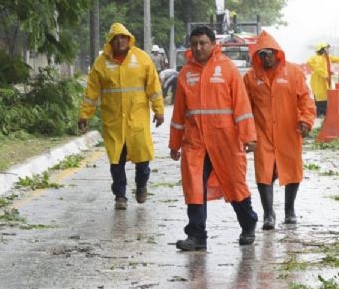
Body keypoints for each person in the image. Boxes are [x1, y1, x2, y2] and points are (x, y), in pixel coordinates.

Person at [169, 25, 258, 251]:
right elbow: (179, 113)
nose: (198, 48)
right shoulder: (186, 73)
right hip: (195, 142)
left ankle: (248, 223)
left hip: (225, 141)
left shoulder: (227, 69)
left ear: (213, 45)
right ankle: (197, 235)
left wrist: (249, 136)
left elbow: (242, 106)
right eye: (194, 44)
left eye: (203, 43)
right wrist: (174, 143)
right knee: (194, 187)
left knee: (235, 185)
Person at [79, 23, 164, 210]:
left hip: (137, 120)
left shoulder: (142, 59)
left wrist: (159, 110)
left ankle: (141, 186)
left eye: (123, 37)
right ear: (110, 41)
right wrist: (84, 115)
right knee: (116, 160)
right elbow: (91, 92)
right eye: (116, 38)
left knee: (142, 160)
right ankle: (120, 195)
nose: (120, 41)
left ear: (129, 39)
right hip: (114, 121)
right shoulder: (101, 63)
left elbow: (154, 87)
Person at [243, 31, 316, 229]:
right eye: (261, 54)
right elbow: (244, 108)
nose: (265, 58)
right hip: (262, 132)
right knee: (263, 172)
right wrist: (246, 135)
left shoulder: (293, 73)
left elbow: (306, 100)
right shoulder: (250, 78)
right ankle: (268, 214)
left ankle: (289, 210)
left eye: (268, 53)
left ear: (277, 54)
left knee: (292, 170)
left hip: (289, 131)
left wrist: (306, 121)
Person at [306, 43, 339, 117]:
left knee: (324, 95)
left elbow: (338, 59)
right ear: (322, 50)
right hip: (319, 80)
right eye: (327, 49)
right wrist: (325, 74)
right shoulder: (317, 58)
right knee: (321, 96)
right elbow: (318, 68)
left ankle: (323, 112)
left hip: (325, 79)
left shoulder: (327, 58)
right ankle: (321, 113)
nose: (328, 50)